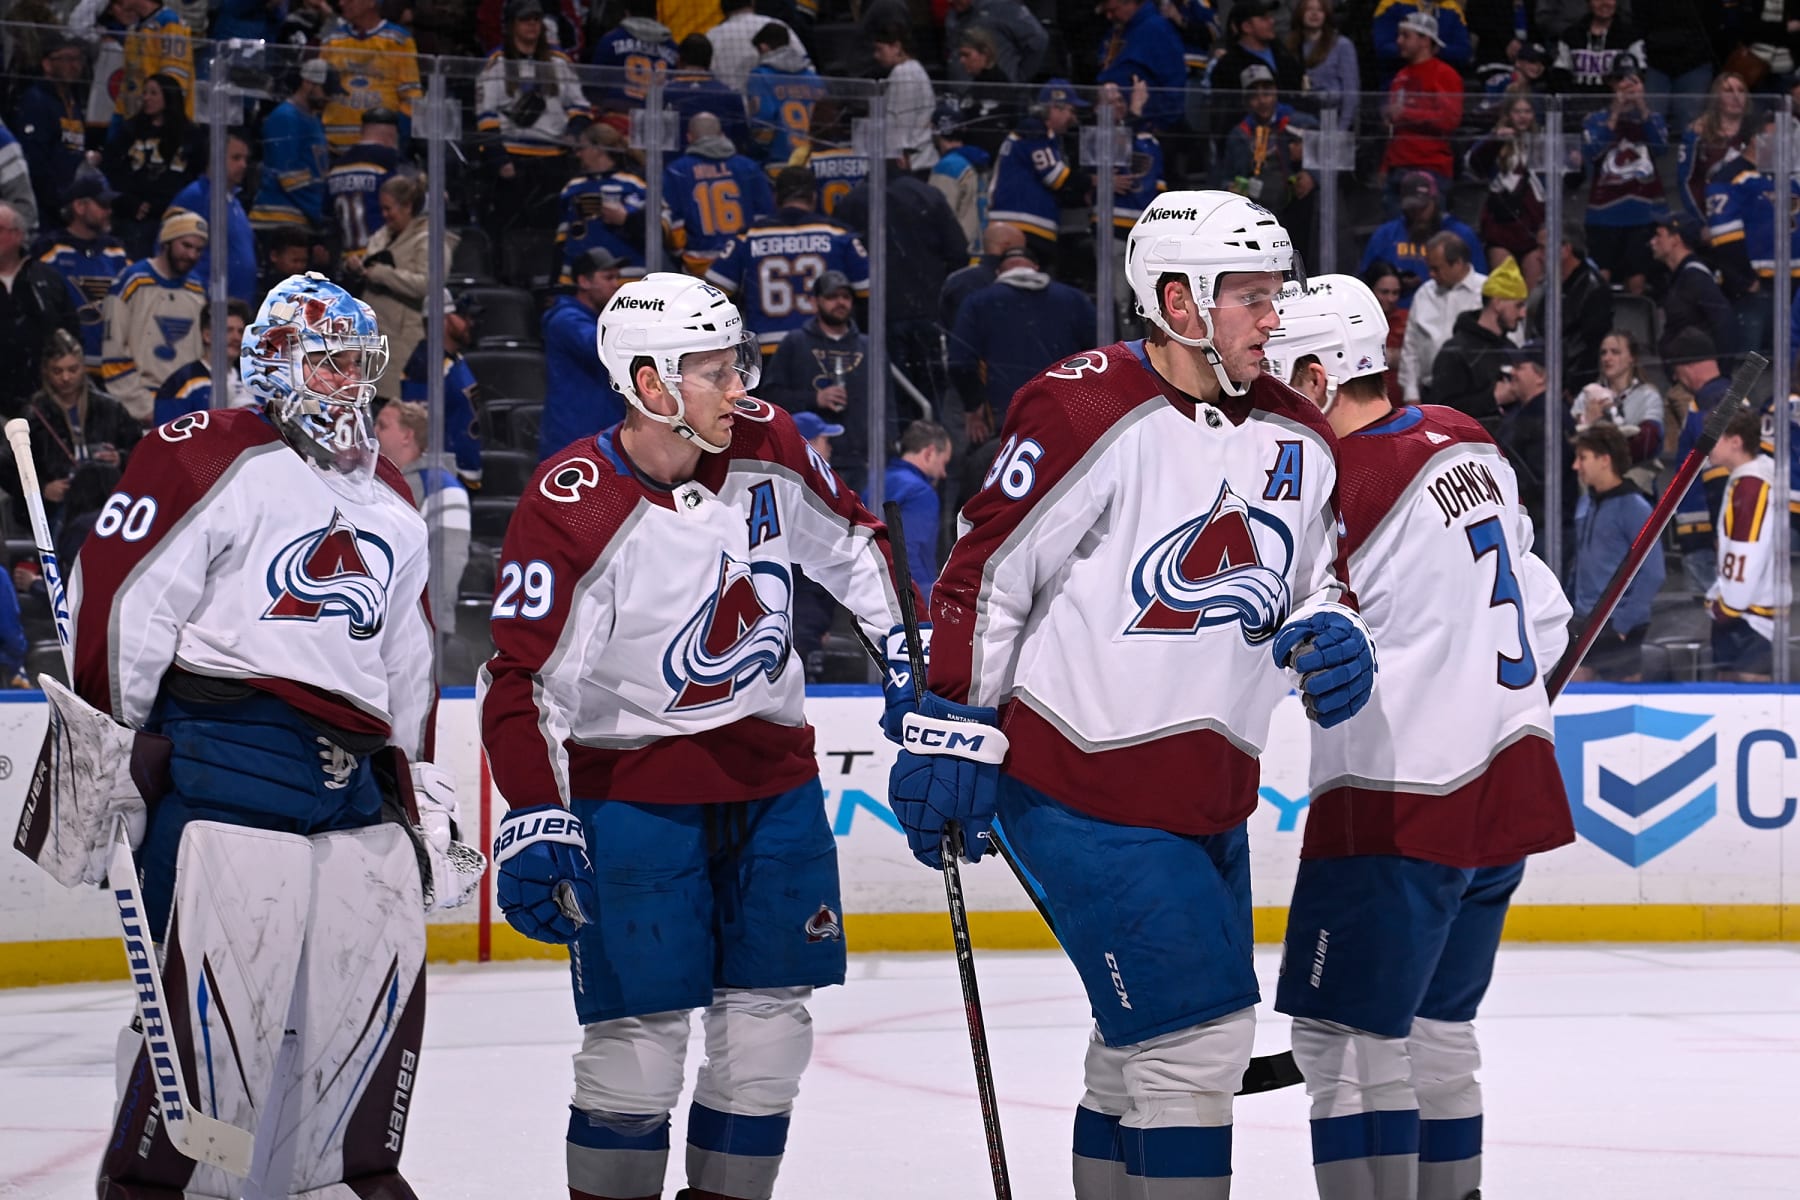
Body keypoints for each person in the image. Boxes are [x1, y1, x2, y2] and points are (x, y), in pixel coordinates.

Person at [890, 192, 1375, 1199]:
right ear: (1178, 303)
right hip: (1075, 781)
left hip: (1208, 794)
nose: (1270, 316)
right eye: (1247, 295)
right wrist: (954, 723)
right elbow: (987, 574)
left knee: (1136, 1053)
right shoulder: (1082, 406)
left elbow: (1323, 574)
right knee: (1196, 1045)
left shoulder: (1299, 430)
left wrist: (1337, 626)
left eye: (1273, 294)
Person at [479, 270, 920, 1200]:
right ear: (650, 386)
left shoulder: (771, 442)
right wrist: (534, 814)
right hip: (632, 793)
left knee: (768, 1045)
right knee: (637, 1053)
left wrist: (912, 668)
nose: (741, 388)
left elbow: (853, 544)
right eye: (717, 370)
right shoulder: (573, 507)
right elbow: (524, 682)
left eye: (739, 363)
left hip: (773, 784)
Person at [75, 271, 479, 1196]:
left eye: (359, 367)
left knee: (344, 1015)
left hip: (351, 791)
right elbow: (123, 605)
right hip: (226, 764)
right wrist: (115, 746)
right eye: (332, 365)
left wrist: (417, 774)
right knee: (204, 1022)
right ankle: (164, 1185)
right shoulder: (205, 452)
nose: (352, 386)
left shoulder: (389, 500)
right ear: (276, 363)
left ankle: (331, 1178)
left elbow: (408, 655)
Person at [1263, 272, 1571, 1200]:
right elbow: (1546, 616)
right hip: (1507, 783)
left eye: (1279, 376)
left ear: (1317, 377)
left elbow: (1287, 630)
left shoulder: (1336, 482)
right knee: (1440, 1033)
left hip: (1398, 805)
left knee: (1347, 1044)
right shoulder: (1470, 440)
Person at [705, 166, 870, 355]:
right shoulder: (839, 235)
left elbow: (713, 292)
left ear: (776, 198)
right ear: (814, 197)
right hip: (825, 348)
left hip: (767, 348)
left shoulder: (748, 238)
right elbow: (867, 290)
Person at [948, 242, 1098, 444]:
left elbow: (960, 362)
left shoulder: (977, 303)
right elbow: (1100, 355)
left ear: (999, 271)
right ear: (1035, 267)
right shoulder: (1074, 299)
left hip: (1007, 419)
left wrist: (973, 407)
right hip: (1065, 416)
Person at [476, 0, 594, 236]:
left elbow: (580, 106)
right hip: (514, 159)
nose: (532, 24)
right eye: (525, 19)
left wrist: (573, 132)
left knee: (551, 230)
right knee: (510, 231)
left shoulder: (559, 63)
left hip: (553, 159)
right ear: (511, 25)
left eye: (536, 19)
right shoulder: (497, 63)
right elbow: (486, 116)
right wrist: (500, 159)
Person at [7, 327, 142, 532]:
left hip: (109, 506)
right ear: (46, 371)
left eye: (72, 369)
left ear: (83, 367)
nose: (66, 378)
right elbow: (8, 464)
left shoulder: (110, 408)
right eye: (58, 371)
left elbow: (141, 451)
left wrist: (120, 459)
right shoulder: (33, 415)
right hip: (54, 512)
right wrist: (43, 488)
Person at [343, 175, 455, 402]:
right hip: (372, 342)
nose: (384, 215)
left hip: (404, 345)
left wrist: (382, 274)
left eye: (388, 209)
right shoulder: (381, 236)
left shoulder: (430, 240)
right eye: (381, 209)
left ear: (407, 207)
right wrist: (355, 266)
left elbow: (430, 285)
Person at [763, 269, 874, 494]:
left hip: (860, 461)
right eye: (832, 297)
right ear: (814, 302)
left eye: (845, 297)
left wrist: (884, 449)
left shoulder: (868, 345)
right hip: (809, 458)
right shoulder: (795, 343)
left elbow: (886, 402)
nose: (840, 303)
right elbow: (770, 397)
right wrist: (814, 398)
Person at [1570, 422, 1664, 681]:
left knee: (1624, 701)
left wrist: (1624, 623)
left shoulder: (1635, 507)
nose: (1576, 466)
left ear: (1604, 460)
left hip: (1617, 623)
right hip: (1584, 619)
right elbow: (1579, 562)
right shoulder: (1587, 501)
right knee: (1573, 695)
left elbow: (1653, 572)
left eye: (1582, 458)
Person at [375, 398, 471, 634]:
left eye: (383, 426)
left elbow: (447, 568)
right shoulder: (374, 482)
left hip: (422, 629)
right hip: (384, 627)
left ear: (407, 436)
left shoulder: (444, 489)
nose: (373, 432)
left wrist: (431, 626)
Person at [100, 210, 205, 423]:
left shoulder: (197, 289)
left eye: (199, 249)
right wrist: (144, 408)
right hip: (142, 411)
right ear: (166, 241)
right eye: (186, 246)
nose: (192, 255)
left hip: (187, 409)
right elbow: (114, 354)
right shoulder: (132, 282)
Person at [1580, 58, 1667, 294]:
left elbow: (1660, 148)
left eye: (1633, 79)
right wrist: (1615, 114)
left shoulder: (1652, 118)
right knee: (1601, 277)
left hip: (1641, 214)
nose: (1627, 85)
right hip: (1603, 213)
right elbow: (1593, 153)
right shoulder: (1594, 119)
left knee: (1637, 279)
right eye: (1621, 79)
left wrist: (1642, 108)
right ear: (1611, 83)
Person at [35, 170, 130, 384]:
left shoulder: (116, 251)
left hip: (110, 372)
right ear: (79, 207)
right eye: (102, 205)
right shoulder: (50, 250)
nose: (109, 211)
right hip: (61, 373)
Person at [1706, 407, 1779, 681]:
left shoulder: (1753, 486)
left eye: (1715, 436)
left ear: (1735, 441)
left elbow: (1748, 551)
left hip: (1749, 619)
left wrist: (1727, 607)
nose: (1706, 443)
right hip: (1741, 612)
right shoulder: (1744, 479)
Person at [99, 72, 200, 260]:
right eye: (144, 93)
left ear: (169, 97)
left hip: (173, 216)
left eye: (153, 93)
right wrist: (128, 202)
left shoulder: (190, 134)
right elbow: (111, 169)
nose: (146, 98)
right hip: (132, 217)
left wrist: (164, 206)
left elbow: (193, 176)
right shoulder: (129, 131)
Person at [539, 246, 624, 459]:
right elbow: (602, 347)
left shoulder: (600, 320)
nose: (616, 285)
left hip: (601, 436)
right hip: (572, 440)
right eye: (608, 277)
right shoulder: (565, 318)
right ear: (584, 281)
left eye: (617, 277)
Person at [1666, 327, 1734, 592]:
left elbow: (1722, 473)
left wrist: (1721, 531)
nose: (1675, 378)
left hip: (1706, 533)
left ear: (1688, 366)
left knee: (1706, 618)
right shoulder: (1721, 397)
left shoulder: (1713, 401)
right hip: (1706, 530)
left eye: (1676, 369)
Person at [665, 112, 775, 275]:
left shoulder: (676, 171)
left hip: (700, 266)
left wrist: (680, 255)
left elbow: (674, 226)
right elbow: (765, 219)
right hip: (744, 262)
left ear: (689, 137)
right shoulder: (749, 167)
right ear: (722, 135)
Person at [985, 80, 1087, 253]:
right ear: (1056, 108)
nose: (1074, 118)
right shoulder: (1034, 130)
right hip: (1020, 225)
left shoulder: (1043, 135)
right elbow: (1056, 178)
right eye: (1072, 111)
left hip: (1023, 224)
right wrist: (1096, 181)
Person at [1429, 256, 1530, 429]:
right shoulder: (1454, 352)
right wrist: (1492, 399)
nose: (1523, 314)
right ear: (1497, 303)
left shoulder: (1511, 350)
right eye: (1518, 306)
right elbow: (1441, 414)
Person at [400, 290, 487, 488]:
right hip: (443, 479)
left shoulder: (453, 358)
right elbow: (419, 429)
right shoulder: (425, 367)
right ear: (444, 321)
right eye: (463, 317)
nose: (469, 324)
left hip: (462, 474)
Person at [1359, 174, 1484, 309]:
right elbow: (1364, 282)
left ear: (1435, 201)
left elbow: (1477, 282)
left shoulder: (1461, 235)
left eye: (1423, 207)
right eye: (1412, 208)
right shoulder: (1385, 235)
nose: (1417, 213)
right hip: (1394, 314)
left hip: (1447, 311)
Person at [1381, 10, 1464, 207]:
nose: (1399, 41)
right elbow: (1395, 128)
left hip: (1430, 166)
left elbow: (1449, 119)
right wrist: (1385, 166)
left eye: (1405, 36)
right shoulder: (1400, 76)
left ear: (1425, 40)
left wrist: (1406, 113)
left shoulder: (1445, 74)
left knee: (1425, 232)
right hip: (1398, 166)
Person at [165, 129, 258, 305]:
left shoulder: (234, 202)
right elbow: (168, 248)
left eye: (245, 159)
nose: (243, 165)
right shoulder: (195, 196)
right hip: (207, 306)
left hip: (236, 308)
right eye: (236, 158)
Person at [556, 123, 657, 282]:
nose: (578, 154)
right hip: (581, 279)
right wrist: (555, 280)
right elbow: (562, 238)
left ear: (598, 149)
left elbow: (654, 235)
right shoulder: (572, 187)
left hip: (628, 277)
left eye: (582, 148)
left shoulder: (634, 186)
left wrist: (626, 220)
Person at [319, 0, 423, 149]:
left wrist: (399, 137)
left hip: (381, 147)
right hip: (334, 147)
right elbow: (318, 91)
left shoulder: (398, 40)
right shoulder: (332, 39)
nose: (341, 3)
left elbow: (411, 97)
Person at [1467, 89, 1550, 272]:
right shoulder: (1495, 139)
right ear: (1508, 114)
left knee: (1533, 289)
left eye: (1527, 112)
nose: (1522, 117)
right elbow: (1474, 164)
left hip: (1533, 225)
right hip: (1502, 226)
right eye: (1517, 112)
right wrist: (1495, 140)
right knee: (1504, 285)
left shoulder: (1543, 142)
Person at [1526, 225, 1614, 393]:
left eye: (1543, 248)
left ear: (1565, 249)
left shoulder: (1593, 289)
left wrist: (1572, 389)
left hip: (1573, 387)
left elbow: (1592, 348)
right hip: (1546, 379)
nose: (1538, 256)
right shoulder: (1550, 285)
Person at [1400, 231, 1486, 404]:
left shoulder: (1485, 292)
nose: (1431, 274)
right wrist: (1411, 395)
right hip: (1430, 395)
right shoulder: (1424, 294)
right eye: (1429, 268)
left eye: (1436, 268)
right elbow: (1411, 348)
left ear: (1458, 264)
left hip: (1475, 396)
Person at [261, 57, 338, 235]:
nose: (329, 97)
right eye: (326, 90)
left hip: (301, 217)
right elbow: (289, 175)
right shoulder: (285, 117)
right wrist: (319, 212)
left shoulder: (313, 119)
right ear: (307, 83)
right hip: (279, 218)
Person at [1573, 329, 1663, 477]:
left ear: (1632, 357)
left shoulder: (1648, 396)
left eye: (1615, 352)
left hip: (1634, 476)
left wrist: (1596, 429)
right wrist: (1588, 422)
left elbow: (1645, 446)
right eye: (1603, 353)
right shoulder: (1587, 394)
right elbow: (1576, 445)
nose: (1607, 358)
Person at [152, 297, 254, 422]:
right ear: (207, 336)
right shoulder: (180, 384)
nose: (237, 337)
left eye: (240, 331)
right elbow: (167, 436)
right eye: (228, 330)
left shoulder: (251, 383)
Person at [744, 23, 828, 173]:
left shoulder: (760, 76)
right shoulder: (814, 78)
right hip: (814, 161)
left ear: (764, 48)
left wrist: (756, 153)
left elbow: (764, 120)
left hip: (779, 162)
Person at [1651, 213, 1735, 362]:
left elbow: (1724, 324)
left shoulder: (1696, 278)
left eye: (1659, 235)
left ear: (1676, 239)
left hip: (1701, 373)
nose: (1652, 242)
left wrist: (1719, 375)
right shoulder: (1682, 276)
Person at [1093, 0, 1187, 132]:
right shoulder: (1118, 30)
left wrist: (1159, 126)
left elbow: (1174, 82)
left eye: (1113, 10)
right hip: (1114, 123)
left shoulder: (1157, 29)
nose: (1109, 16)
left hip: (1145, 126)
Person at [882, 418, 952, 591]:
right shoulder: (921, 493)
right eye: (944, 463)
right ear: (929, 453)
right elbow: (909, 556)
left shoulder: (878, 482)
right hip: (909, 600)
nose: (943, 474)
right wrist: (925, 601)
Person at [326, 108, 401, 265]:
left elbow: (326, 216)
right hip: (380, 257)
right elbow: (404, 207)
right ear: (391, 136)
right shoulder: (388, 165)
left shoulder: (335, 169)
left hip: (347, 261)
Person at [1675, 72, 1751, 223]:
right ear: (1716, 98)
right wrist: (1702, 221)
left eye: (1741, 90)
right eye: (1728, 91)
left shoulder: (1757, 133)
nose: (1736, 96)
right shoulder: (1696, 135)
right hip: (1713, 216)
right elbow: (1686, 182)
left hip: (1753, 217)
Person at [871, 21, 939, 169]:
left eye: (879, 49)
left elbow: (900, 122)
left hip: (911, 163)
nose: (876, 55)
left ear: (896, 47)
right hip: (920, 159)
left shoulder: (903, 73)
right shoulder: (915, 68)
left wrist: (897, 157)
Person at [588, 0, 678, 105]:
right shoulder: (672, 46)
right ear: (656, 14)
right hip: (657, 115)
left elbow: (594, 84)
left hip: (618, 112)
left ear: (626, 13)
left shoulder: (610, 40)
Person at [706, 0, 810, 91]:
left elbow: (705, 77)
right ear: (752, 2)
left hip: (730, 107)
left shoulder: (712, 35)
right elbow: (803, 64)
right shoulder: (777, 25)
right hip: (778, 103)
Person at [1288, 0, 1360, 130]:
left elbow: (1351, 93)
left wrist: (1341, 129)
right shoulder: (1291, 47)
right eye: (1309, 9)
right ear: (1300, 13)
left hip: (1332, 119)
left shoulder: (1342, 45)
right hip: (1301, 119)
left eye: (1320, 10)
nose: (1314, 13)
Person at [942, 0, 1050, 84]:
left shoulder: (1002, 6)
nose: (949, 1)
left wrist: (1020, 77)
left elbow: (1039, 39)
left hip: (1003, 96)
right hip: (963, 97)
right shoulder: (953, 13)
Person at [1365, 261, 1408, 404]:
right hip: (1366, 401)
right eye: (1384, 292)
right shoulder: (1356, 320)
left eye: (1395, 293)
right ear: (1369, 290)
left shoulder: (1409, 319)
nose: (1391, 299)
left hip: (1402, 402)